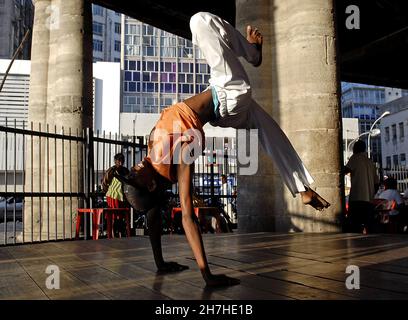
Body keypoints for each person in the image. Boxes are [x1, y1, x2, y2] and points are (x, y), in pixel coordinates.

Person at [116, 12, 330, 287]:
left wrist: (160, 263)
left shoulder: (152, 154)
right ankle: (253, 54)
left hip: (225, 113)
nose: (134, 169)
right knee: (199, 21)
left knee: (269, 131)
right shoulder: (180, 154)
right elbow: (186, 215)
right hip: (229, 93)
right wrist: (207, 275)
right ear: (153, 186)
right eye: (135, 177)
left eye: (130, 173)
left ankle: (302, 189)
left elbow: (153, 215)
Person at [344, 140, 379, 234]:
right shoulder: (370, 162)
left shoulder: (355, 158)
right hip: (369, 200)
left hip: (357, 197)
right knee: (368, 224)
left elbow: (345, 170)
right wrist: (371, 193)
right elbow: (376, 183)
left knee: (355, 225)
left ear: (355, 148)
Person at [102, 153, 130, 237]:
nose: (121, 163)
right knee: (114, 216)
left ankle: (120, 233)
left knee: (120, 216)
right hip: (112, 196)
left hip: (122, 197)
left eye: (122, 161)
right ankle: (112, 234)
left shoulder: (126, 171)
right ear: (115, 161)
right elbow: (104, 182)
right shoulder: (111, 170)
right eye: (119, 161)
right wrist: (108, 192)